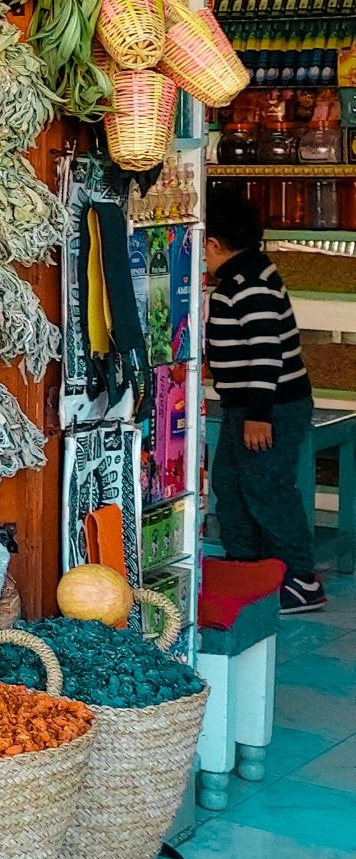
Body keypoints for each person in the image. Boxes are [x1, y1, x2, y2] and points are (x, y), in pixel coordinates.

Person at [205, 188, 323, 613]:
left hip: (270, 409)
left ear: (212, 243)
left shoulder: (248, 283)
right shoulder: (246, 273)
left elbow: (267, 352)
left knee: (267, 489)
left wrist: (258, 416)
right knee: (231, 484)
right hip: (247, 408)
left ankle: (299, 578)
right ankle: (247, 569)